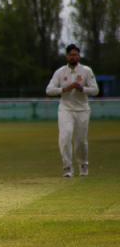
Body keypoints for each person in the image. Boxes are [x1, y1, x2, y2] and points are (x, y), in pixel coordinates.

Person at [46, 44, 99, 177]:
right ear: (66, 57)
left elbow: (95, 90)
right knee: (65, 136)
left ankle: (83, 165)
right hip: (66, 108)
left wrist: (82, 89)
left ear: (79, 56)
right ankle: (67, 168)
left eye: (75, 55)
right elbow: (49, 90)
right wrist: (64, 89)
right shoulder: (60, 72)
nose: (72, 57)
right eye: (70, 55)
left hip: (82, 109)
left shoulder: (86, 71)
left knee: (80, 140)